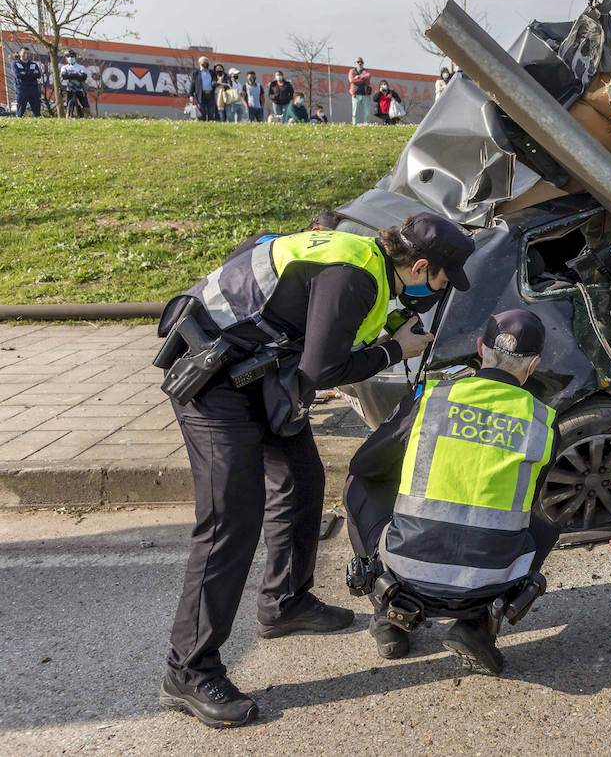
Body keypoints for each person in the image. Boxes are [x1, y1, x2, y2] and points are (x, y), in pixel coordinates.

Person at [154, 213, 475, 727]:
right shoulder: (355, 276)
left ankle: (285, 602)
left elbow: (257, 248)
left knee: (303, 480)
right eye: (442, 279)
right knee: (229, 523)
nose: (440, 290)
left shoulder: (360, 254)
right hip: (212, 384)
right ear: (419, 266)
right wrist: (396, 349)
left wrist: (384, 330)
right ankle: (188, 669)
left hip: (253, 371)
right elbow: (322, 370)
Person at [344, 308, 557, 672]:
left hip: (408, 573)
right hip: (490, 583)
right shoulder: (543, 423)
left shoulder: (432, 400)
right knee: (547, 518)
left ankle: (389, 614)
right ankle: (477, 626)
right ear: (533, 365)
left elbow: (367, 465)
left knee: (358, 484)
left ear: (480, 348)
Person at [59, 51, 91, 118]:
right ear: (66, 58)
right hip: (69, 89)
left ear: (75, 58)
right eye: (68, 57)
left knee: (86, 107)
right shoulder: (64, 67)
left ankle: (90, 118)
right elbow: (64, 76)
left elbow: (83, 77)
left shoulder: (81, 67)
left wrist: (70, 75)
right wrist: (76, 74)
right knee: (68, 108)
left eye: (72, 57)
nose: (70, 58)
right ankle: (67, 119)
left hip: (80, 89)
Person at [190, 57, 217, 122]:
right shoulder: (196, 73)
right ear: (200, 63)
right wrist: (191, 95)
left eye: (206, 62)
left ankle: (211, 122)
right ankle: (202, 123)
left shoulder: (212, 73)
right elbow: (193, 84)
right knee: (202, 112)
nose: (205, 64)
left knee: (211, 111)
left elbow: (215, 81)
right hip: (201, 94)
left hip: (210, 94)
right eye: (204, 62)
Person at [348, 58, 372, 125]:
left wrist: (358, 77)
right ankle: (354, 124)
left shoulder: (366, 71)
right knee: (355, 112)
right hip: (355, 95)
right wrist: (363, 79)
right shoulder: (352, 71)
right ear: (355, 63)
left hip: (366, 94)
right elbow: (351, 80)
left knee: (367, 112)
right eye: (358, 62)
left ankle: (367, 124)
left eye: (361, 62)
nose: (360, 63)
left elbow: (368, 76)